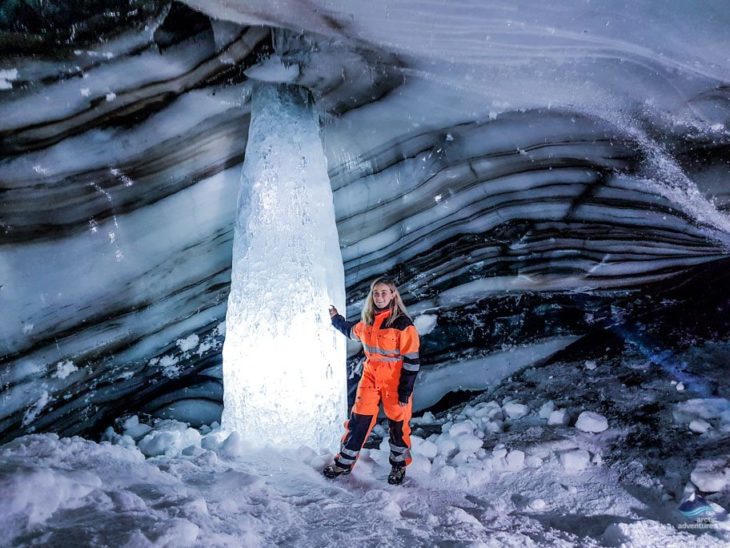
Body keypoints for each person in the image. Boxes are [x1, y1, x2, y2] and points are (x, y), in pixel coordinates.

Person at [323, 277, 421, 485]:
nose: (379, 297)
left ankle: (398, 465)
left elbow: (412, 361)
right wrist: (335, 318)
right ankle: (344, 462)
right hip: (370, 377)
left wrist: (405, 390)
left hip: (395, 380)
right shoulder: (368, 322)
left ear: (393, 294)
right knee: (359, 421)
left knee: (398, 425)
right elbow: (351, 331)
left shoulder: (403, 325)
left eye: (384, 292)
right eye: (376, 293)